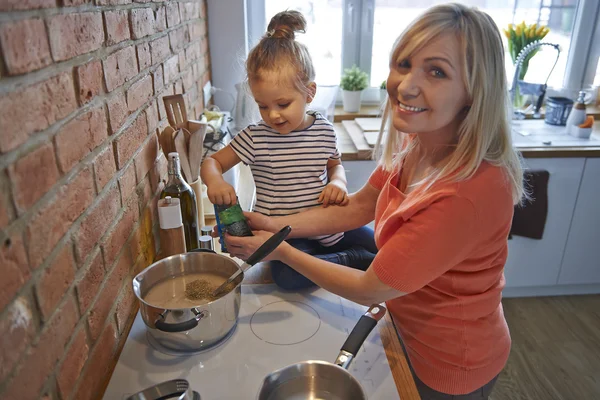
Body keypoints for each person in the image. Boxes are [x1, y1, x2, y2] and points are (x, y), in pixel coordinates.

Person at [223, 3, 525, 399]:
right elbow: (358, 207)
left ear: (474, 88)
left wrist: (282, 251)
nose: (406, 86)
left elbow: (371, 287)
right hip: (403, 326)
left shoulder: (468, 192)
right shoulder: (416, 142)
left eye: (436, 71)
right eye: (403, 63)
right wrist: (273, 224)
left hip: (450, 361)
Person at [200, 10, 377, 290]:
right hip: (284, 235)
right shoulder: (255, 137)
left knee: (381, 243)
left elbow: (334, 164)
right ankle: (355, 260)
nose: (272, 115)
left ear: (309, 93)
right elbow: (212, 162)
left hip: (327, 225)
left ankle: (349, 259)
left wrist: (338, 182)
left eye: (282, 104)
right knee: (288, 278)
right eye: (262, 105)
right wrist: (215, 181)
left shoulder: (324, 130)